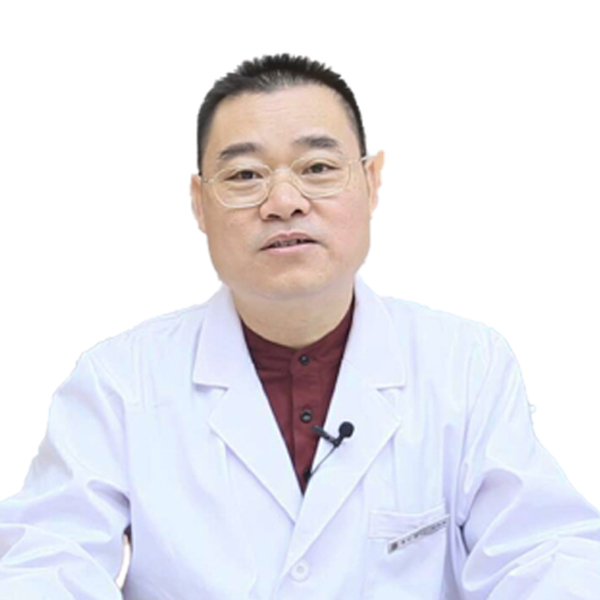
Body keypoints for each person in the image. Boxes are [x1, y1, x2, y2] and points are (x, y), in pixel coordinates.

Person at [0, 54, 599, 600]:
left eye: (317, 167)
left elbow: (542, 553)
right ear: (199, 202)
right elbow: (49, 562)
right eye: (244, 176)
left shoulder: (466, 364)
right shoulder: (118, 382)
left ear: (372, 181)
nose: (283, 202)